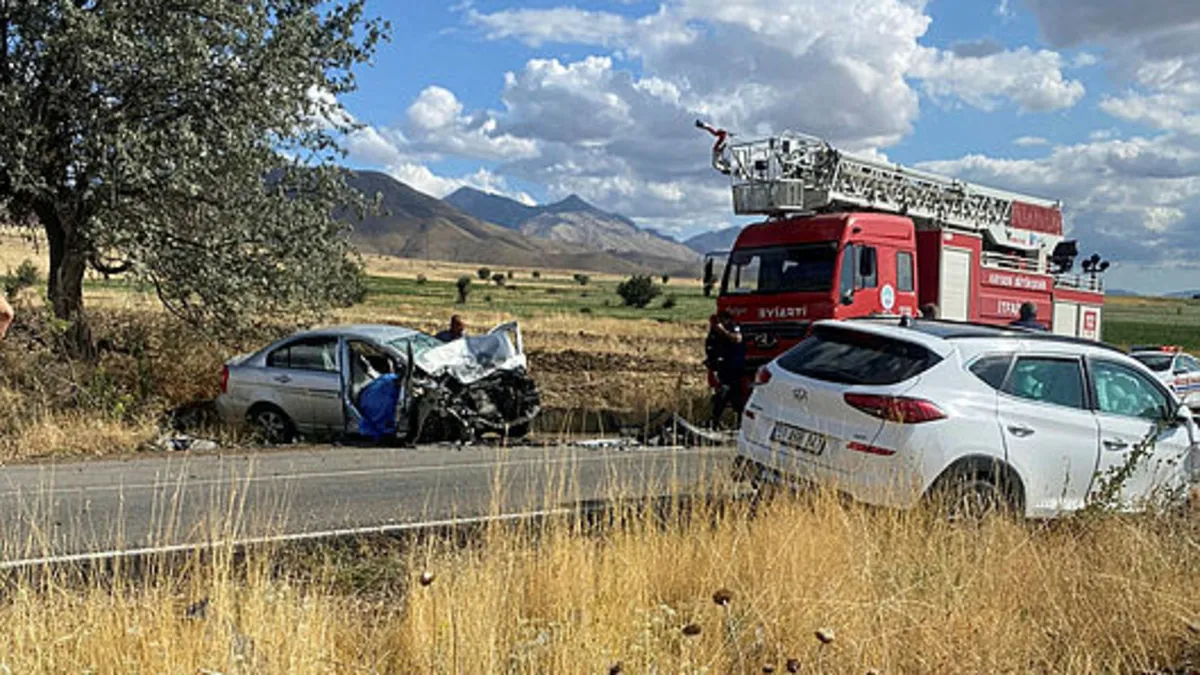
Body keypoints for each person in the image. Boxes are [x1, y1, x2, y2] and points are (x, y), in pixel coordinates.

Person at [706, 310, 746, 428]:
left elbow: (737, 339)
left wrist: (722, 330)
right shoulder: (714, 331)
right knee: (732, 394)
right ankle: (736, 421)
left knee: (726, 391)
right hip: (721, 366)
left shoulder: (733, 327)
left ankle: (716, 419)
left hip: (733, 366)